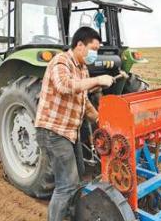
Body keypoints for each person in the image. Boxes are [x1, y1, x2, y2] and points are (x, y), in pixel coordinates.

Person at [35, 27, 114, 221]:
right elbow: (65, 86)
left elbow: (83, 101)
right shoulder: (60, 61)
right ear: (79, 45)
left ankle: (71, 215)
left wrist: (99, 119)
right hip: (53, 131)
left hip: (70, 131)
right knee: (66, 185)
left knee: (78, 175)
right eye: (93, 49)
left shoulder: (83, 69)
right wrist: (98, 80)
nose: (95, 54)